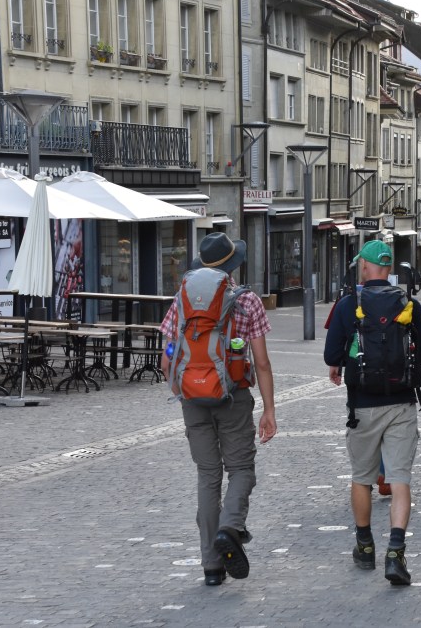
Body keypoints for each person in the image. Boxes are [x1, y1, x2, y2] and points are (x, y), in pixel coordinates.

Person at [159, 232, 277, 587]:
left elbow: (166, 356)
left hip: (192, 400)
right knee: (241, 469)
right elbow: (262, 362)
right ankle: (230, 527)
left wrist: (183, 389)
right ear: (232, 265)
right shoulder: (247, 301)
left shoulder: (181, 298)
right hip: (233, 396)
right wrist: (269, 410)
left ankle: (211, 566)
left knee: (208, 476)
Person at [324, 240, 421, 586]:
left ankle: (365, 545)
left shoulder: (348, 305)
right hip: (402, 403)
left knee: (362, 477)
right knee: (399, 480)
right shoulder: (408, 303)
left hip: (363, 405)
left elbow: (330, 355)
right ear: (389, 270)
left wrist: (344, 359)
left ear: (365, 266)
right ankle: (396, 551)